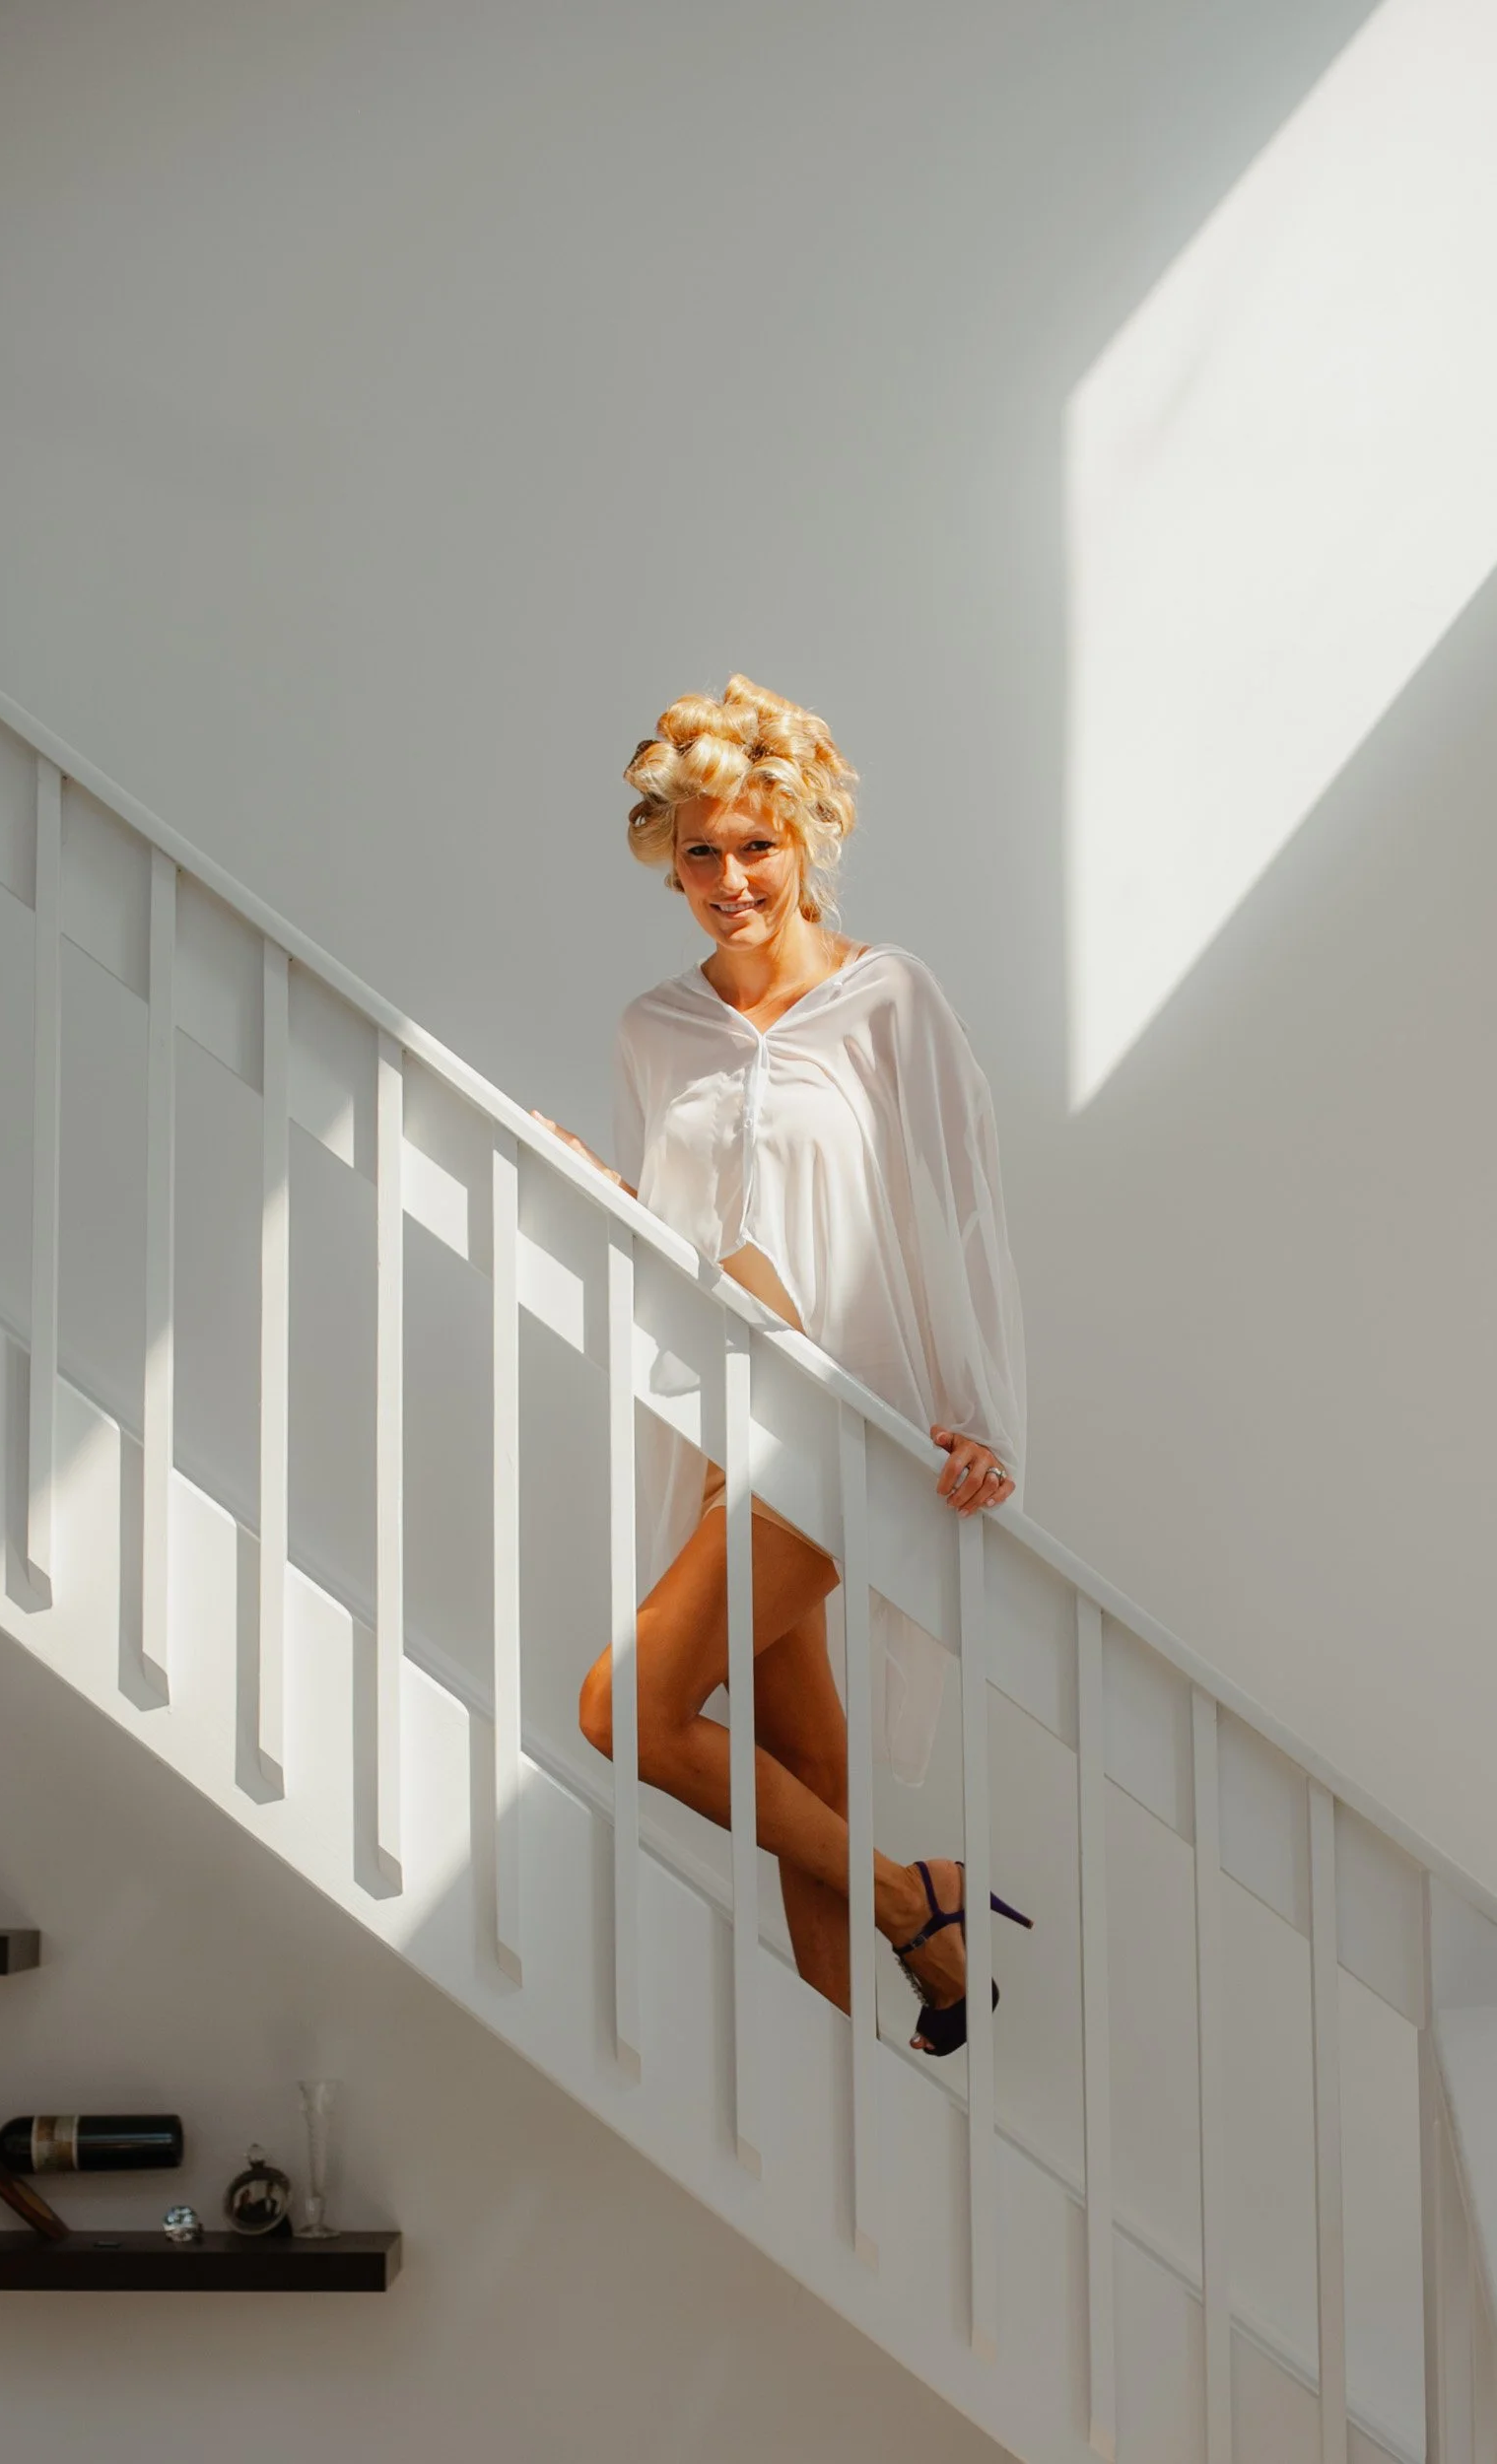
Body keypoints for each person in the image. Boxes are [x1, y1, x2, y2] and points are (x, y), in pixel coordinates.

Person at [532, 674, 1029, 2054]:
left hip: (845, 1424)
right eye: (700, 851)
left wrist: (972, 1415)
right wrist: (597, 1189)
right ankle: (844, 2059)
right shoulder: (655, 1027)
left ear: (805, 841)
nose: (730, 878)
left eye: (757, 845)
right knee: (804, 1757)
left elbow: (961, 1211)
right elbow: (682, 1232)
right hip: (719, 1427)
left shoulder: (887, 1004)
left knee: (624, 1710)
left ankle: (909, 1900)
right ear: (666, 857)